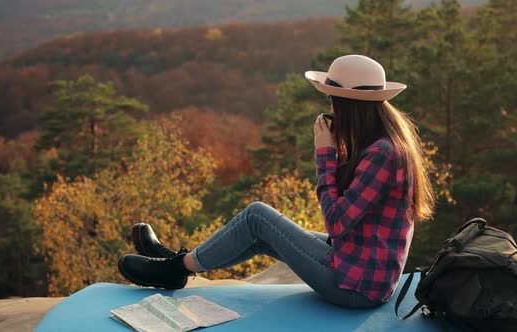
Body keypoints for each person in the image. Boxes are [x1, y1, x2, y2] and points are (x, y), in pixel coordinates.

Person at [117, 54, 435, 308]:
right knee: (259, 235)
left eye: (334, 102)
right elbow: (351, 216)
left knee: (257, 215)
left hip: (356, 287)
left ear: (347, 106)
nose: (331, 109)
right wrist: (339, 155)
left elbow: (337, 223)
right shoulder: (384, 142)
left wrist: (325, 156)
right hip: (358, 265)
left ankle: (174, 269)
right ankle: (176, 264)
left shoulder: (383, 152)